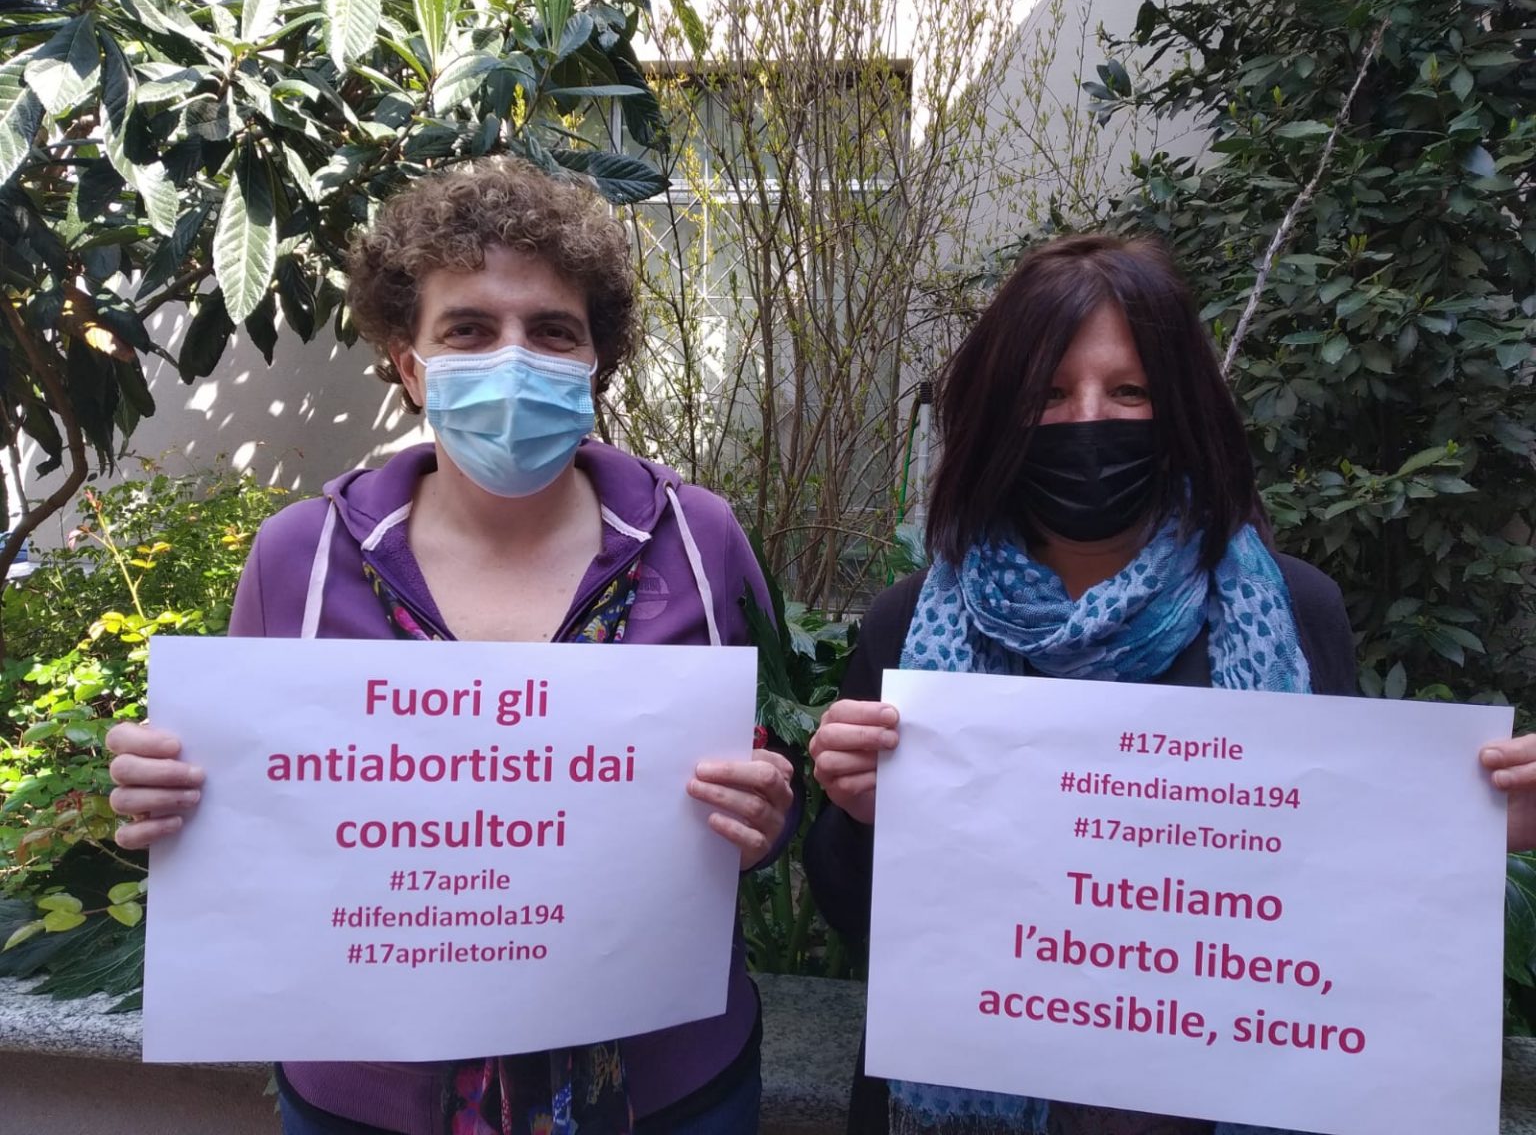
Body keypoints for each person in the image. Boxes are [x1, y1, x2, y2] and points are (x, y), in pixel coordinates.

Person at [105, 156, 797, 1135]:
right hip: (368, 1100)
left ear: (595, 359)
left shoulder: (700, 537)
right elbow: (249, 808)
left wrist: (768, 817)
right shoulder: (300, 559)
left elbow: (773, 768)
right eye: (468, 329)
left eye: (552, 330)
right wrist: (168, 799)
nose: (514, 357)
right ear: (408, 361)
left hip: (668, 1089)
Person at [802, 233, 1536, 1135]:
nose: (1087, 420)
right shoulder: (906, 624)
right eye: (1048, 393)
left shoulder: (1297, 611)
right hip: (977, 1085)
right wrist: (863, 818)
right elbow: (856, 918)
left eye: (1129, 390)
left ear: (1182, 405)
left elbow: (1337, 887)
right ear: (997, 412)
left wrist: (1464, 833)